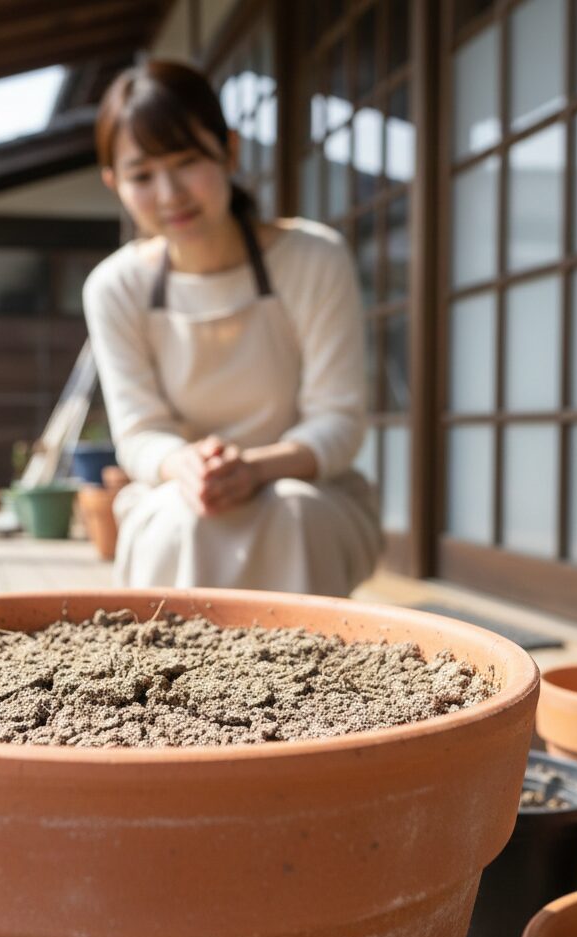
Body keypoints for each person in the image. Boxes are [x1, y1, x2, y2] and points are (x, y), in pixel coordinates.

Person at [82, 60, 382, 595]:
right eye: (142, 175)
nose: (170, 192)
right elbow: (139, 432)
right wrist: (189, 468)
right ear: (114, 184)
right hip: (177, 489)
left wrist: (257, 468)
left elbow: (338, 419)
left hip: (307, 485)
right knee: (179, 520)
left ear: (231, 150)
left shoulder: (314, 259)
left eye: (187, 160)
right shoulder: (114, 287)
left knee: (295, 511)